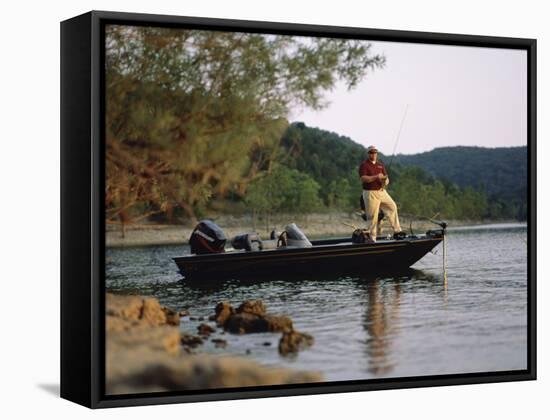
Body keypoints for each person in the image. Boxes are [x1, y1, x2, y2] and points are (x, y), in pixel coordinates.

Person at [358, 145, 406, 241]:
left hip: (382, 191)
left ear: (377, 153)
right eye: (371, 152)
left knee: (392, 206)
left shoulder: (380, 165)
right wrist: (376, 176)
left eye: (375, 152)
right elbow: (364, 179)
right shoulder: (364, 165)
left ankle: (397, 231)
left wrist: (385, 181)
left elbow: (386, 178)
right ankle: (372, 238)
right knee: (373, 216)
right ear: (368, 154)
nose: (373, 154)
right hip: (370, 193)